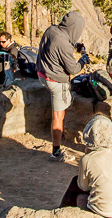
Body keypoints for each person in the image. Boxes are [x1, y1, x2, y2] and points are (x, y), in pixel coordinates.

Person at [60, 102, 112, 218]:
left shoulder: (87, 159)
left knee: (77, 190)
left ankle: (61, 214)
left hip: (105, 214)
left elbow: (84, 187)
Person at [36, 10, 85, 161]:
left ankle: (68, 98)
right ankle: (56, 152)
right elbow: (74, 69)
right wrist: (83, 59)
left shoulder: (51, 30)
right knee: (58, 116)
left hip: (42, 74)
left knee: (60, 105)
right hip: (56, 81)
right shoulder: (64, 44)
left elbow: (56, 46)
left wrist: (74, 46)